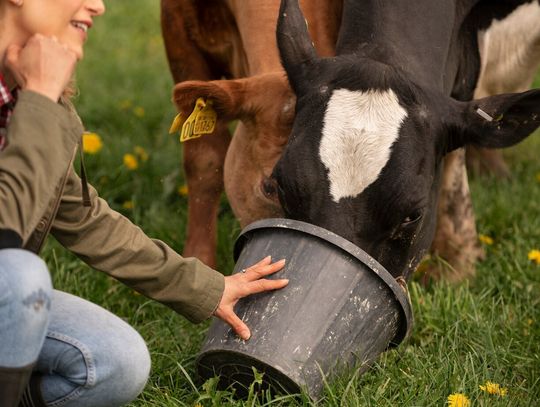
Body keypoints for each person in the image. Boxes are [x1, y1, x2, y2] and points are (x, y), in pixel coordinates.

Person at [0, 0, 289, 406]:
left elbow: (84, 218)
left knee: (118, 361)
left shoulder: (22, 95)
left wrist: (210, 288)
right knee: (20, 275)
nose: (97, 6)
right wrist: (40, 101)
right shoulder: (37, 100)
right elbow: (5, 232)